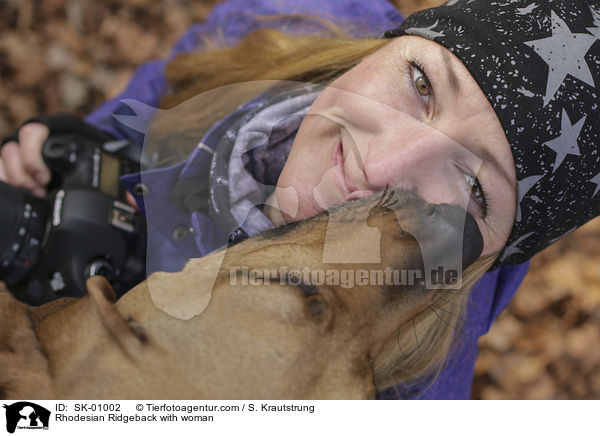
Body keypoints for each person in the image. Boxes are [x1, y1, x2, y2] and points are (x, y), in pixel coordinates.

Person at [1, 0, 598, 398]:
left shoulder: (409, 401)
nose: (382, 168)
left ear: (492, 252)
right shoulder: (275, 23)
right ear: (383, 48)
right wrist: (91, 142)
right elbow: (164, 86)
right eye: (421, 83)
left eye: (474, 187)